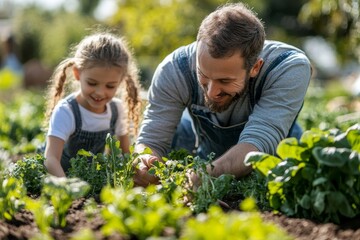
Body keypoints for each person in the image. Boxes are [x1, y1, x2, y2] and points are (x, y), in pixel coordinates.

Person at [133, 2, 312, 187]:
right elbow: (152, 139)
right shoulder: (174, 69)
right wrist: (144, 161)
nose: (211, 92)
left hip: (275, 172)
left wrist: (204, 176)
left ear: (255, 67)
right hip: (209, 158)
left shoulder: (288, 67)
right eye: (202, 75)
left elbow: (259, 141)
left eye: (225, 81)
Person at [43, 32, 142, 177]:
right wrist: (68, 188)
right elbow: (50, 159)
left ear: (120, 82)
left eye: (110, 86)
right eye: (92, 83)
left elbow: (126, 154)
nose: (100, 93)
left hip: (91, 180)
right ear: (77, 73)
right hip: (61, 176)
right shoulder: (67, 111)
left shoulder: (117, 110)